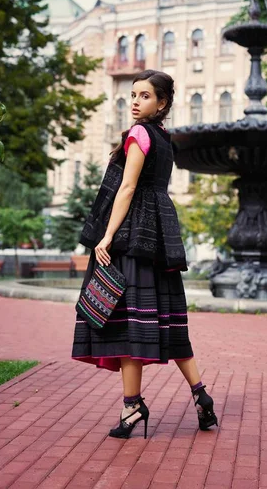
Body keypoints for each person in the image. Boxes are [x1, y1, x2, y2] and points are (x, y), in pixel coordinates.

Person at [71, 69, 218, 439]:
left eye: (145, 96)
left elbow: (127, 187)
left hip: (134, 236)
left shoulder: (139, 135)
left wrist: (106, 237)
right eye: (133, 95)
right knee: (169, 323)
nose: (135, 101)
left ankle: (132, 406)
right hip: (161, 237)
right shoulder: (166, 140)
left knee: (128, 325)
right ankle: (201, 396)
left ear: (162, 103)